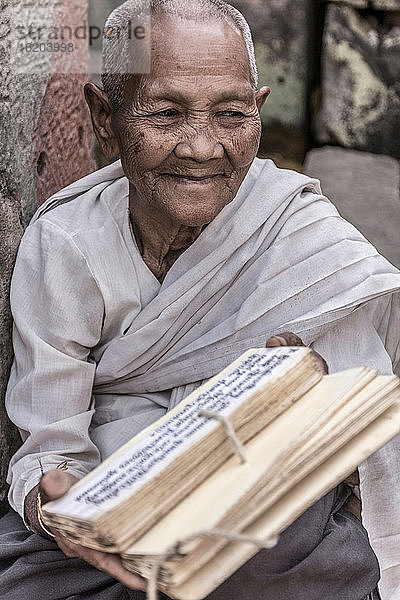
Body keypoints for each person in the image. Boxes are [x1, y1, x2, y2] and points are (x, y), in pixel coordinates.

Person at [1, 1, 399, 599]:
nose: (202, 147)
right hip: (113, 504)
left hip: (261, 514)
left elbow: (355, 431)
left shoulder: (301, 235)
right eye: (165, 114)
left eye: (232, 115)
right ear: (103, 117)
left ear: (259, 113)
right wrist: (74, 513)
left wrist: (290, 394)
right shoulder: (67, 245)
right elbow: (49, 440)